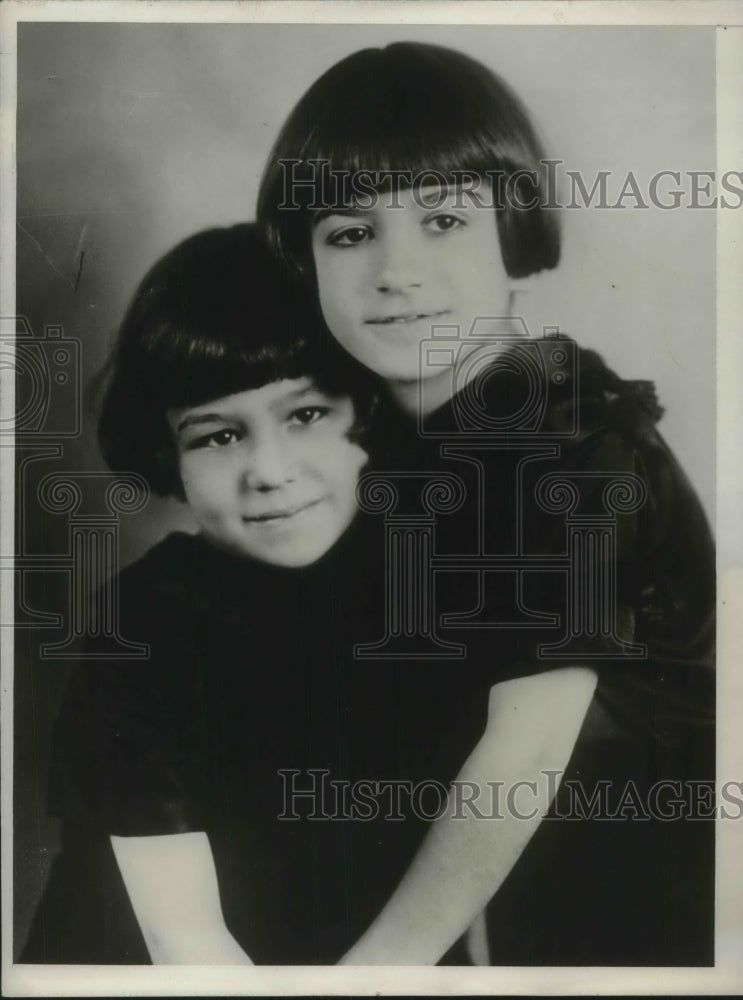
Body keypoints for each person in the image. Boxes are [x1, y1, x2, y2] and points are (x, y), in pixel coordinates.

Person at [256, 41, 716, 965]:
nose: (395, 271)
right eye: (350, 233)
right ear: (305, 260)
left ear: (514, 233)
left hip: (617, 913)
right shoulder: (389, 445)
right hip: (479, 903)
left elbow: (525, 754)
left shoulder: (569, 445)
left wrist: (366, 981)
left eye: (443, 222)